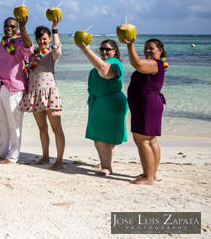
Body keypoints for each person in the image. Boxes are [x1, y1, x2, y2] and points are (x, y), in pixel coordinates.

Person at [18, 18, 65, 171]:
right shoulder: (31, 55)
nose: (42, 41)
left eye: (45, 39)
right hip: (35, 95)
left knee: (56, 129)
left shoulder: (51, 54)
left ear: (49, 39)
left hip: (49, 93)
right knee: (42, 129)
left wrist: (55, 28)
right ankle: (45, 156)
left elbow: (58, 48)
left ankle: (59, 161)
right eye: (39, 39)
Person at [120, 37, 167, 185]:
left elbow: (137, 64)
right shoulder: (156, 63)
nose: (147, 50)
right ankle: (151, 173)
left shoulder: (154, 63)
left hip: (147, 104)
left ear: (160, 51)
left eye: (151, 48)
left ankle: (149, 177)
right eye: (146, 47)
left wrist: (130, 44)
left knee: (142, 140)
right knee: (150, 139)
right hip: (148, 104)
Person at [76, 39, 128, 176]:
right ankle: (108, 163)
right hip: (102, 101)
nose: (104, 51)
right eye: (101, 49)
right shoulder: (105, 63)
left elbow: (104, 71)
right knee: (109, 135)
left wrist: (86, 50)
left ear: (115, 51)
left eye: (108, 49)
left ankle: (106, 167)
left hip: (109, 102)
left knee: (101, 136)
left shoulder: (114, 63)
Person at [0, 16, 33, 165]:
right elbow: (2, 66)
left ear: (17, 28)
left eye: (12, 26)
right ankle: (1, 151)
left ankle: (13, 156)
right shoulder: (3, 42)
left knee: (14, 122)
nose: (9, 28)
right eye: (6, 26)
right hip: (0, 86)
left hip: (14, 87)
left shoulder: (20, 41)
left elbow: (29, 49)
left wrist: (23, 27)